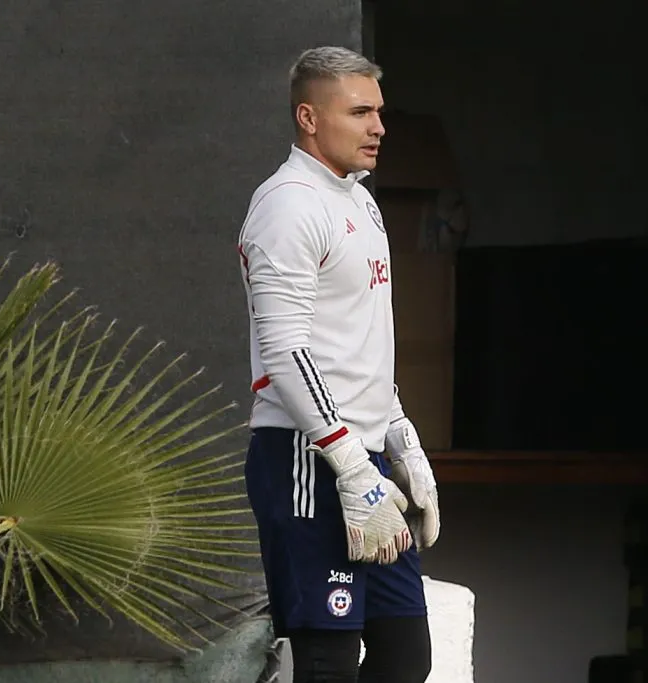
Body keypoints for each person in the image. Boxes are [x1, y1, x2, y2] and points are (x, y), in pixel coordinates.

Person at [237, 45, 441, 683]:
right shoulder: (288, 205)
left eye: (379, 111)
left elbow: (362, 340)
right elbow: (286, 352)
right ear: (309, 117)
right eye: (359, 112)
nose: (379, 126)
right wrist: (350, 466)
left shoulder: (361, 201)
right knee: (328, 663)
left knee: (406, 656)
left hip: (367, 457)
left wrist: (400, 439)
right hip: (307, 456)